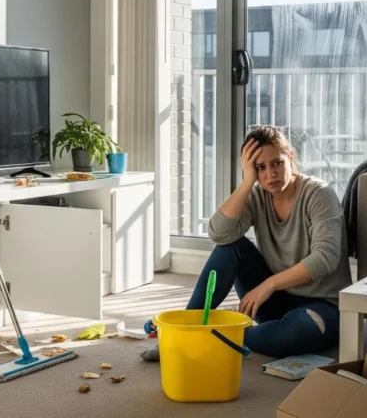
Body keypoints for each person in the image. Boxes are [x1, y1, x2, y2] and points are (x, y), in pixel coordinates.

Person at [141, 125, 352, 361]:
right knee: (230, 248)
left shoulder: (319, 194)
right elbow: (219, 235)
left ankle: (214, 334)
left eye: (277, 163)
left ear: (290, 157)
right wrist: (246, 183)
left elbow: (325, 258)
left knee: (292, 334)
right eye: (260, 167)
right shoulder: (257, 195)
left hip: (324, 306)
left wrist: (269, 284)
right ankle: (186, 326)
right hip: (277, 302)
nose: (270, 174)